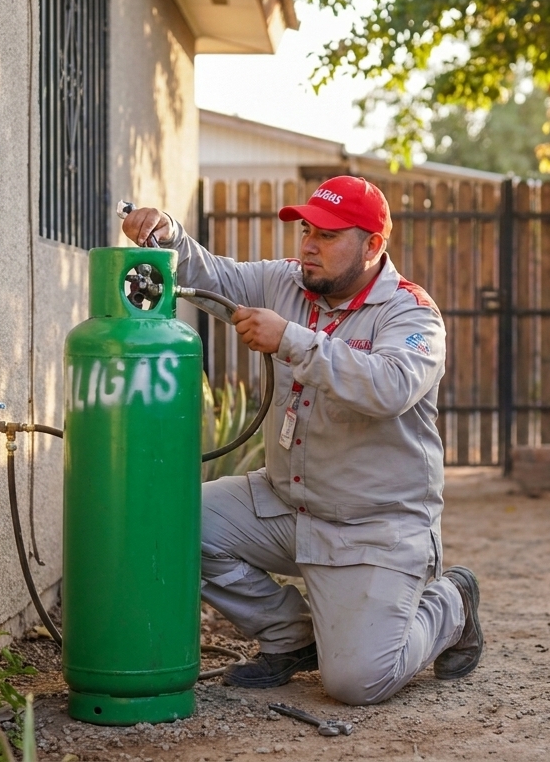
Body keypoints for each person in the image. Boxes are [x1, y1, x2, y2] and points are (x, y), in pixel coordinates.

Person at [121, 175, 483, 705]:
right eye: (307, 231)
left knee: (357, 682)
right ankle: (291, 637)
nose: (310, 245)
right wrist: (169, 234)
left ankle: (452, 603)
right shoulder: (285, 281)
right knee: (168, 519)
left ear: (372, 246)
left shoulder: (411, 313)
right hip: (287, 503)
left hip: (373, 526)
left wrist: (291, 340)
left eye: (328, 236)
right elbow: (211, 274)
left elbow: (391, 387)